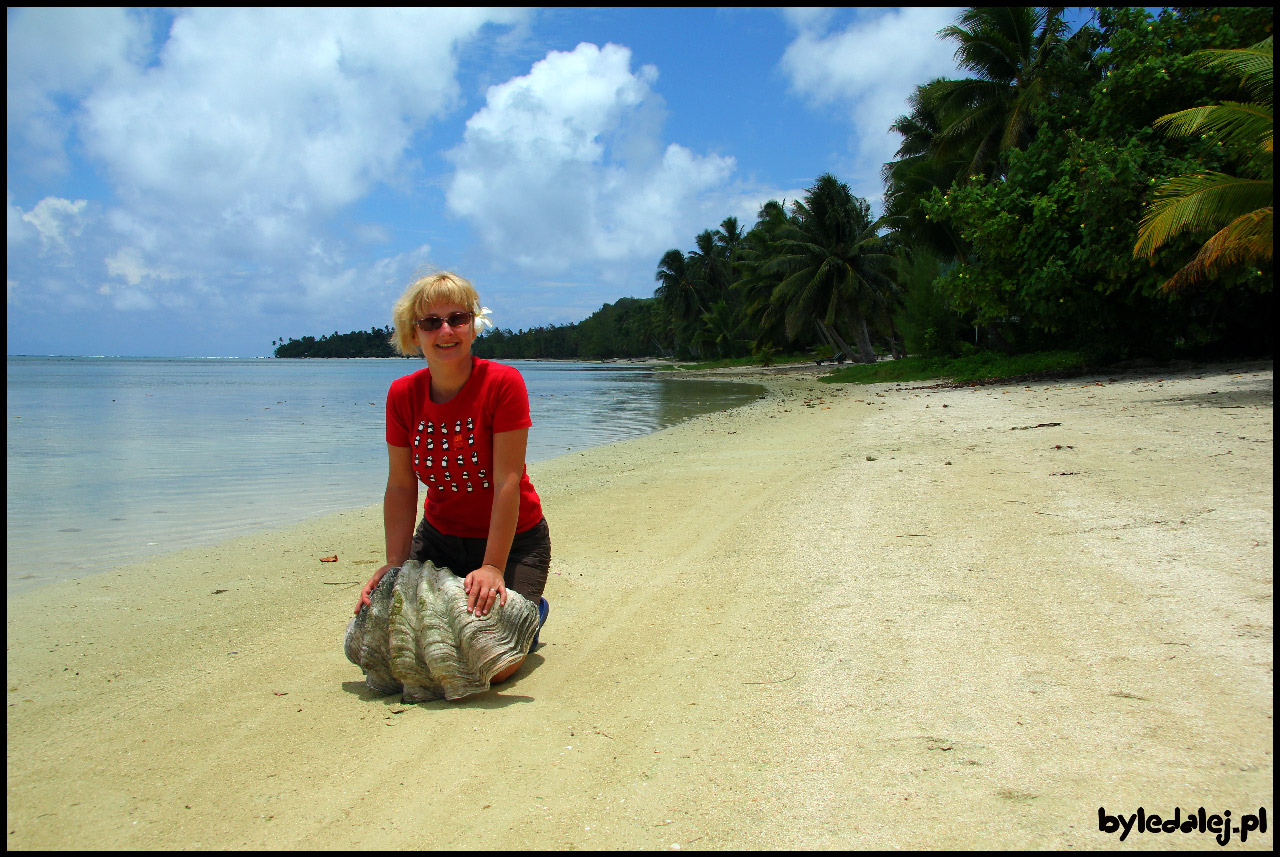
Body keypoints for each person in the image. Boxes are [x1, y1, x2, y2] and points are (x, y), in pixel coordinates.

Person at [356, 271, 550, 683]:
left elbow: (507, 481)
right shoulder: (402, 395)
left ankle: (533, 611)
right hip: (439, 539)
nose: (445, 331)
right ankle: (472, 597)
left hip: (514, 542)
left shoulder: (502, 382)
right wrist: (394, 565)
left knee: (493, 667)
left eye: (457, 318)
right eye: (430, 322)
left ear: (473, 325)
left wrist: (494, 567)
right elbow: (401, 485)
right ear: (414, 333)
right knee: (384, 637)